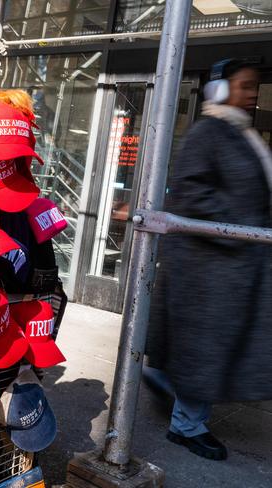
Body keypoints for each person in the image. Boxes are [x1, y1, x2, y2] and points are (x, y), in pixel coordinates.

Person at [147, 59, 272, 461]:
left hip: (232, 264)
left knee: (202, 349)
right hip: (210, 267)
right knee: (206, 349)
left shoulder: (240, 134)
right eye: (244, 85)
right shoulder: (209, 133)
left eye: (255, 87)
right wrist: (246, 227)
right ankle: (186, 426)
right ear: (219, 89)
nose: (252, 94)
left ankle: (162, 377)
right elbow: (191, 194)